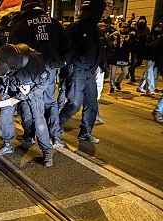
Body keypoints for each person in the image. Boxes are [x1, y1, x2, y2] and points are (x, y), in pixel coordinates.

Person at [10, 0, 71, 148]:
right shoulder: (54, 23)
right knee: (50, 103)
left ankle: (29, 135)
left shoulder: (20, 25)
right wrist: (61, 62)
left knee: (28, 103)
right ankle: (55, 136)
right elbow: (68, 46)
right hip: (49, 70)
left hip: (28, 72)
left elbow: (13, 50)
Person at [0, 43, 54, 167]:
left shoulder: (35, 64)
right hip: (11, 88)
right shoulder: (8, 58)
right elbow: (1, 77)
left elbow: (45, 82)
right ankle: (7, 144)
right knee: (4, 116)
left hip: (32, 91)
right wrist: (4, 93)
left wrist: (28, 93)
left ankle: (46, 151)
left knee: (38, 120)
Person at [59, 0, 106, 144]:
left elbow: (100, 49)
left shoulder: (97, 30)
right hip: (77, 71)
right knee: (74, 104)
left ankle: (85, 132)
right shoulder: (75, 28)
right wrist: (67, 69)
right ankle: (55, 125)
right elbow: (64, 49)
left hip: (90, 72)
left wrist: (103, 65)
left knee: (92, 104)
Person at [109, 22, 134, 93]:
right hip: (115, 55)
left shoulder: (130, 36)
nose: (124, 28)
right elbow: (111, 43)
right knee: (113, 73)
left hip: (124, 56)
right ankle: (112, 86)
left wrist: (128, 40)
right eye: (122, 27)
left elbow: (131, 46)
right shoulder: (115, 34)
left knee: (125, 72)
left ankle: (118, 82)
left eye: (125, 27)